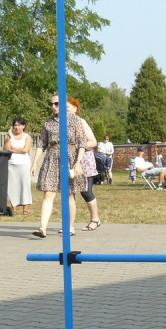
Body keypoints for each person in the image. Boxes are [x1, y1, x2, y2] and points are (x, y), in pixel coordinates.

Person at [30, 94, 91, 238]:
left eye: (56, 104)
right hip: (52, 156)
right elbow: (42, 144)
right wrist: (34, 163)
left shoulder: (75, 120)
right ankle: (42, 228)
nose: (53, 107)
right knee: (48, 193)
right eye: (51, 104)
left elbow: (82, 143)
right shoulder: (48, 121)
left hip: (70, 157)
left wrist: (78, 162)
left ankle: (70, 227)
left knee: (69, 194)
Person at [67, 98, 102, 231]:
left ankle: (95, 219)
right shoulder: (61, 124)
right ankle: (69, 225)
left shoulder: (81, 122)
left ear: (75, 109)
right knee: (70, 193)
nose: (65, 110)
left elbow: (93, 142)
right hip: (68, 160)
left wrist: (77, 146)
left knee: (86, 191)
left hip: (84, 161)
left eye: (68, 107)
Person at [4, 118, 33, 215]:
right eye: (15, 125)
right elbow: (6, 149)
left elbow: (25, 150)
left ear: (23, 126)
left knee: (25, 185)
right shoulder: (10, 137)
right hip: (11, 164)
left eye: (19, 125)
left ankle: (25, 209)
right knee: (13, 186)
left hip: (24, 164)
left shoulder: (27, 137)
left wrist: (13, 149)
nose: (17, 127)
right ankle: (14, 208)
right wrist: (9, 139)